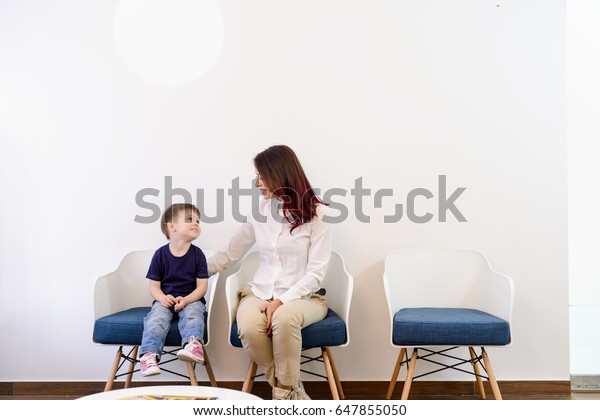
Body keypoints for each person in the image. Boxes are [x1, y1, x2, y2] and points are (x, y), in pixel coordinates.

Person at [208, 145, 332, 400]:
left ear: (280, 174)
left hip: (305, 298)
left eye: (261, 176)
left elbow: (315, 274)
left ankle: (282, 396)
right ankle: (290, 392)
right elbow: (231, 253)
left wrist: (281, 302)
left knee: (283, 318)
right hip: (259, 292)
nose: (257, 183)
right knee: (250, 328)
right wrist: (187, 272)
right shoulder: (259, 212)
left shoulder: (318, 213)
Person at [139, 203, 209, 377]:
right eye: (189, 219)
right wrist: (162, 298)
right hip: (165, 300)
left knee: (193, 315)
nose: (196, 224)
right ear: (172, 226)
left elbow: (202, 287)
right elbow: (154, 286)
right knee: (156, 318)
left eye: (198, 221)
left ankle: (193, 345)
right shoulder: (160, 255)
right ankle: (149, 355)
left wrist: (186, 300)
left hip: (191, 300)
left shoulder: (198, 255)